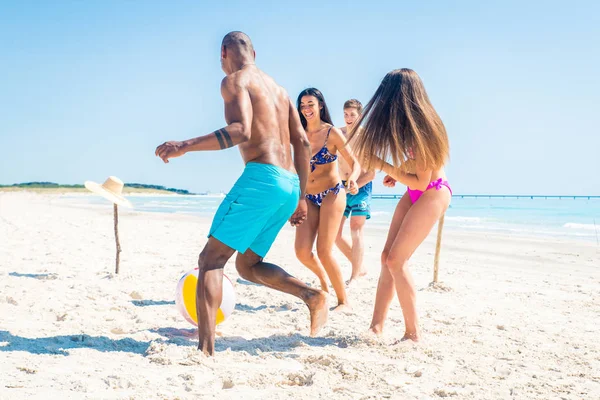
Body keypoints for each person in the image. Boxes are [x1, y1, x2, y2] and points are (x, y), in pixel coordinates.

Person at [155, 32, 328, 356]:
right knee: (248, 266)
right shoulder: (279, 90)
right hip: (289, 184)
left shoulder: (234, 81)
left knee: (211, 260)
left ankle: (205, 351)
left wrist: (184, 146)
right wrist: (301, 196)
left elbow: (241, 130)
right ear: (255, 53)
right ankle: (312, 296)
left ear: (223, 53)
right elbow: (302, 144)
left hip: (262, 178)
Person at [348, 68, 451, 342]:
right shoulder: (410, 126)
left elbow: (422, 182)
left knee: (396, 260)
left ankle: (412, 333)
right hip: (419, 189)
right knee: (386, 259)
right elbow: (418, 166)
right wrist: (398, 171)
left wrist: (384, 165)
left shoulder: (425, 128)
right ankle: (377, 327)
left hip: (433, 193)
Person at [294, 88, 360, 312]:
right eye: (302, 105)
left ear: (320, 105)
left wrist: (352, 178)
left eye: (310, 104)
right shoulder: (298, 133)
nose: (306, 109)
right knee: (302, 252)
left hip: (332, 193)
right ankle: (324, 284)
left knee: (324, 250)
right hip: (308, 198)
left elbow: (355, 163)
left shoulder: (332, 133)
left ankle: (343, 301)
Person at [335, 99, 376, 286]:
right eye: (346, 114)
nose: (348, 118)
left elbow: (372, 173)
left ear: (360, 116)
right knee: (335, 234)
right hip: (340, 186)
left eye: (352, 115)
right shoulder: (338, 134)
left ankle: (354, 276)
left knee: (355, 229)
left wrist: (356, 184)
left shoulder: (368, 137)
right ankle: (359, 266)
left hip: (362, 186)